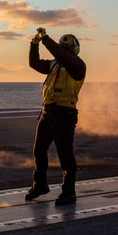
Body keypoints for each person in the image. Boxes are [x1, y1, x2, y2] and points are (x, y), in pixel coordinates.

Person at [25, 28, 86, 206]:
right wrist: (34, 43)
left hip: (65, 115)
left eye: (65, 49)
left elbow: (63, 56)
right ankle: (40, 185)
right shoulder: (54, 65)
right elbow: (34, 63)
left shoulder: (78, 66)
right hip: (47, 113)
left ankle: (69, 192)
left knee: (65, 155)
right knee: (39, 151)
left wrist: (46, 40)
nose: (63, 51)